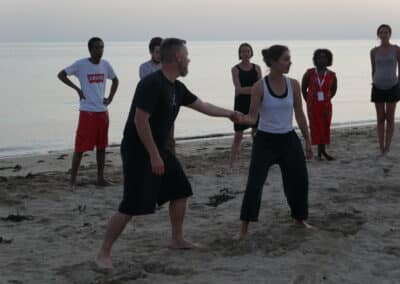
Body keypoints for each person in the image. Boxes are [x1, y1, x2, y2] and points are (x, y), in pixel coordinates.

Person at [96, 38, 240, 269]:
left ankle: (176, 239)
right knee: (130, 205)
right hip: (138, 150)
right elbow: (140, 121)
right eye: (187, 56)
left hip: (160, 148)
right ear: (177, 58)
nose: (189, 60)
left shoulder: (177, 87)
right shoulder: (152, 84)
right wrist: (154, 155)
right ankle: (104, 253)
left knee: (181, 189)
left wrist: (230, 114)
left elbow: (203, 105)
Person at [237, 45, 313, 239]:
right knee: (254, 184)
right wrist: (241, 119)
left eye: (290, 58)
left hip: (289, 139)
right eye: (286, 59)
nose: (290, 62)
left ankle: (299, 218)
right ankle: (244, 229)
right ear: (273, 62)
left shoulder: (294, 84)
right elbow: (253, 117)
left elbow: (300, 114)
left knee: (300, 181)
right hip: (265, 141)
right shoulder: (259, 87)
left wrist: (308, 140)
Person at [57, 37, 119, 189]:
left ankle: (100, 178)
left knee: (102, 147)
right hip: (87, 112)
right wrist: (77, 89)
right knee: (80, 148)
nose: (100, 50)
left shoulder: (106, 65)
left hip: (102, 112)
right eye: (97, 48)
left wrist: (110, 98)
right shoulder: (81, 64)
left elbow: (115, 80)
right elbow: (61, 75)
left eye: (102, 47)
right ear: (90, 49)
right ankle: (72, 180)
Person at [229, 43, 262, 169]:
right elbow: (238, 90)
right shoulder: (235, 69)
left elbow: (261, 87)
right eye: (243, 51)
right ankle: (231, 163)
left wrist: (251, 90)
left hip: (255, 103)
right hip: (240, 104)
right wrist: (254, 89)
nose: (245, 53)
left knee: (256, 134)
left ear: (251, 53)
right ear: (240, 54)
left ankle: (258, 160)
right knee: (238, 135)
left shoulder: (257, 68)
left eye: (247, 51)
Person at [301, 49, 337, 160]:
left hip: (326, 105)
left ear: (328, 59)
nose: (322, 59)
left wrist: (326, 99)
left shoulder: (331, 75)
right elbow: (303, 87)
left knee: (325, 126)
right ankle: (321, 152)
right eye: (319, 57)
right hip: (313, 105)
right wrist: (308, 100)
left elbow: (334, 90)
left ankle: (322, 152)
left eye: (324, 57)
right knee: (315, 127)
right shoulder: (309, 73)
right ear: (315, 59)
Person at [370, 24, 400, 156]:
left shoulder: (396, 49)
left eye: (386, 32)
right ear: (378, 35)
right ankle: (381, 146)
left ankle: (387, 146)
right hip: (377, 86)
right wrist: (374, 80)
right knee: (380, 118)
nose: (384, 34)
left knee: (390, 117)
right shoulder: (373, 51)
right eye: (381, 32)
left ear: (389, 34)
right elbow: (373, 69)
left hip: (393, 86)